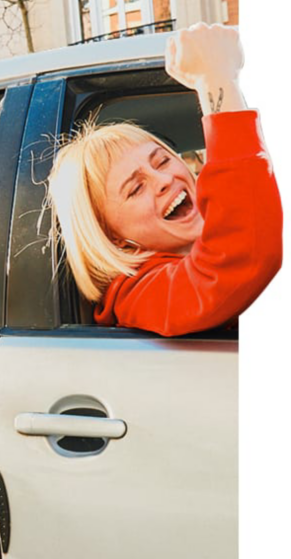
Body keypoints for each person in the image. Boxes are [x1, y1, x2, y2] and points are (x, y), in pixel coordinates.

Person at [46, 23, 282, 336]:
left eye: (162, 160)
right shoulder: (138, 295)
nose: (163, 180)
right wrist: (213, 78)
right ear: (113, 236)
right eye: (136, 188)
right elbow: (233, 260)